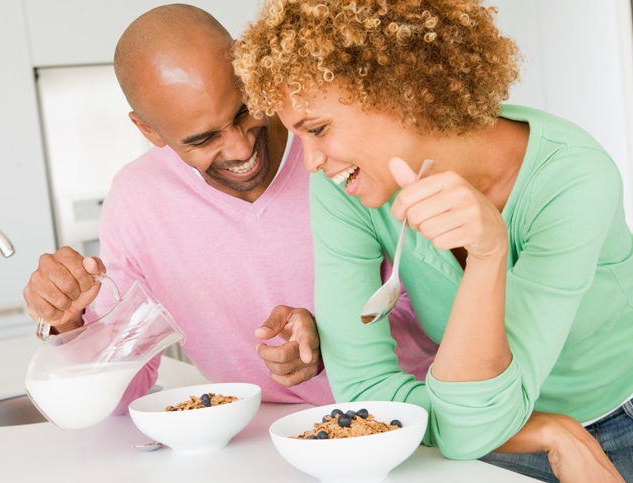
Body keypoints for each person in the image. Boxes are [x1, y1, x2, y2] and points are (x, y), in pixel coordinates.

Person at [233, 0, 633, 482]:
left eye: (317, 130)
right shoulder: (343, 188)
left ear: (404, 92)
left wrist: (489, 252)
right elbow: (365, 393)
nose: (310, 162)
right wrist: (546, 431)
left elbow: (455, 417)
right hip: (501, 430)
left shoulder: (573, 177)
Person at [22, 4, 437, 414]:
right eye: (203, 139)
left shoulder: (336, 149)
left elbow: (438, 297)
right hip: (263, 431)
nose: (241, 148)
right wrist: (69, 322)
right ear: (148, 130)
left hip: (411, 412)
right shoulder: (137, 202)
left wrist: (335, 337)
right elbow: (123, 391)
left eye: (243, 111)